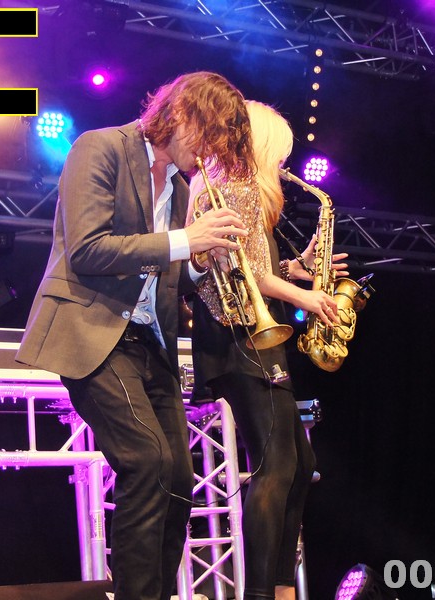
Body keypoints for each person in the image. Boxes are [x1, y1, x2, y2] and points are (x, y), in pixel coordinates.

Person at [15, 71, 254, 600]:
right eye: (209, 136)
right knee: (147, 462)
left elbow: (166, 276)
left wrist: (199, 262)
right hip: (94, 332)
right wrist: (183, 239)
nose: (209, 153)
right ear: (182, 114)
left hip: (151, 343)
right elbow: (88, 249)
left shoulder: (180, 187)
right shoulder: (99, 147)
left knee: (179, 481)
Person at [187, 100, 346, 600]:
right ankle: (264, 592)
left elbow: (249, 265)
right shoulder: (237, 184)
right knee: (276, 466)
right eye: (279, 151)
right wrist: (303, 296)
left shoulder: (231, 186)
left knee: (297, 463)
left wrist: (295, 269)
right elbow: (246, 274)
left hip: (244, 337)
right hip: (242, 337)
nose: (283, 163)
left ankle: (279, 587)